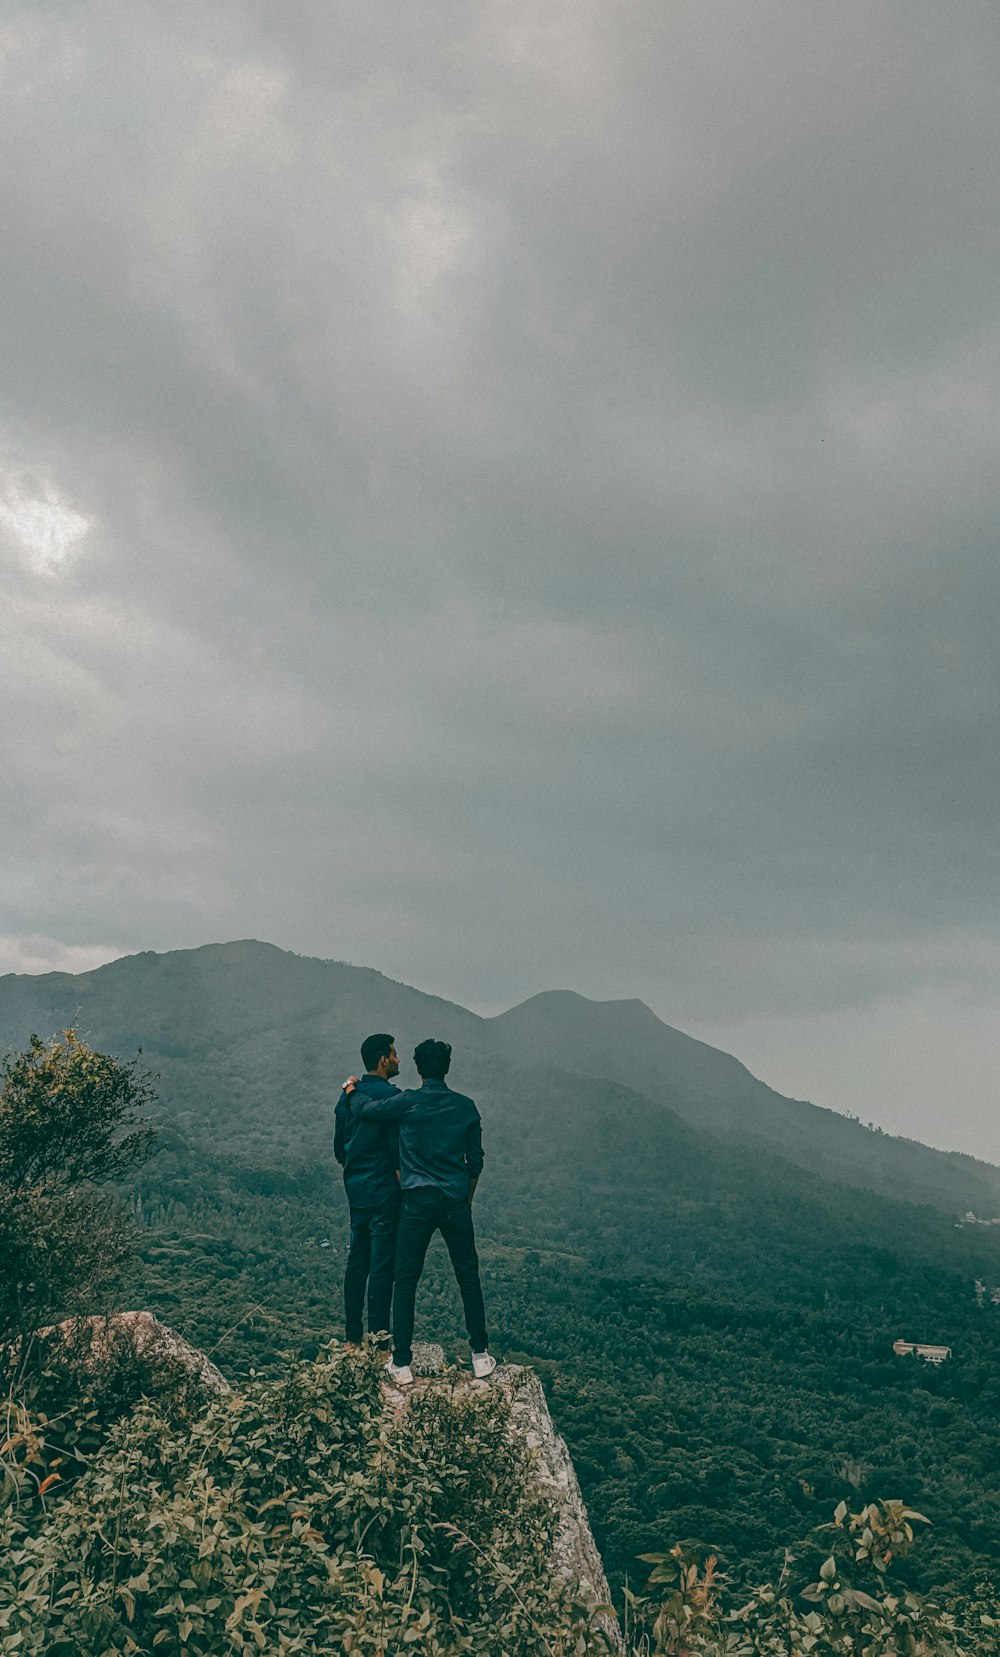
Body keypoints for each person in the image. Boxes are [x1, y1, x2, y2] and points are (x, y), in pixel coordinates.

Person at [348, 1038, 496, 1386]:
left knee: (406, 1280)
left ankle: (401, 1363)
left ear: (418, 1067)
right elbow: (475, 1161)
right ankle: (479, 1355)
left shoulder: (408, 1102)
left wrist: (351, 1089)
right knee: (468, 1276)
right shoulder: (465, 1107)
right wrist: (467, 1197)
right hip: (455, 1199)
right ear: (447, 1066)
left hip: (416, 1201)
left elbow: (367, 1111)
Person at [333, 1032, 401, 1351]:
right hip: (385, 1191)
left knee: (357, 1260)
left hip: (356, 1189)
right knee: (382, 1266)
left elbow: (339, 1149)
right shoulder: (392, 1099)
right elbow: (398, 1149)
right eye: (394, 1054)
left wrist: (356, 1167)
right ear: (383, 1060)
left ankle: (351, 1336)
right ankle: (379, 1343)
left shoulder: (348, 1098)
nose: (398, 1059)